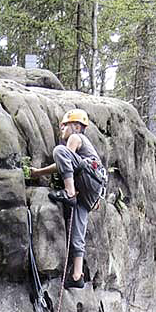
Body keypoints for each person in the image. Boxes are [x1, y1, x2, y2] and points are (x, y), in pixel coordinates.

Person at [29, 108, 104, 290]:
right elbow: (66, 162)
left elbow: (64, 158)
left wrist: (38, 172)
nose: (61, 129)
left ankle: (69, 192)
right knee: (78, 231)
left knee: (60, 150)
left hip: (88, 177)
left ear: (76, 126)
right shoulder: (82, 143)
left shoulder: (76, 138)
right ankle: (77, 275)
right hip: (91, 190)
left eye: (64, 126)